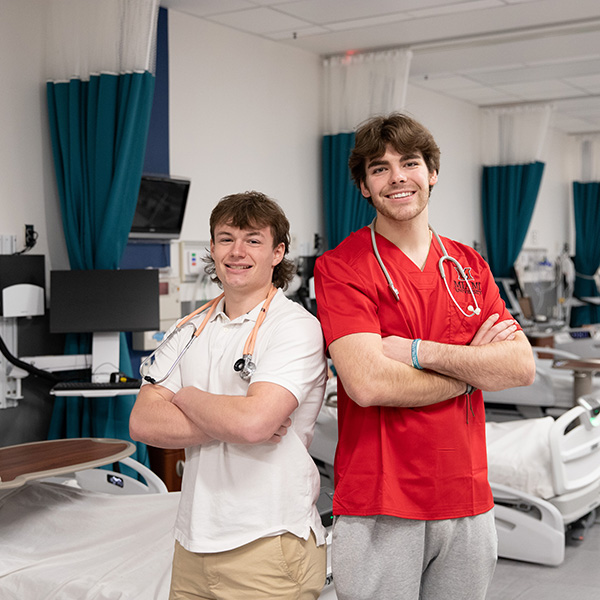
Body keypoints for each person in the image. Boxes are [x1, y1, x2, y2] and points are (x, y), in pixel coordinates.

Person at [313, 113, 536, 600]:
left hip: (468, 498)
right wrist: (471, 371)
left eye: (409, 163)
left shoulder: (468, 265)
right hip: (381, 501)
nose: (397, 177)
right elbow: (368, 384)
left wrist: (418, 353)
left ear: (431, 172)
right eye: (379, 168)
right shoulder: (341, 268)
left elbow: (521, 366)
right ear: (363, 186)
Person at [130, 191, 328, 600]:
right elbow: (143, 422)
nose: (237, 252)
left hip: (268, 543)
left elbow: (253, 423)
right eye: (226, 238)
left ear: (277, 252)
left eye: (253, 240)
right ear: (213, 248)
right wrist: (232, 421)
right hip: (192, 543)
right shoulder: (189, 328)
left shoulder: (295, 327)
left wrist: (183, 396)